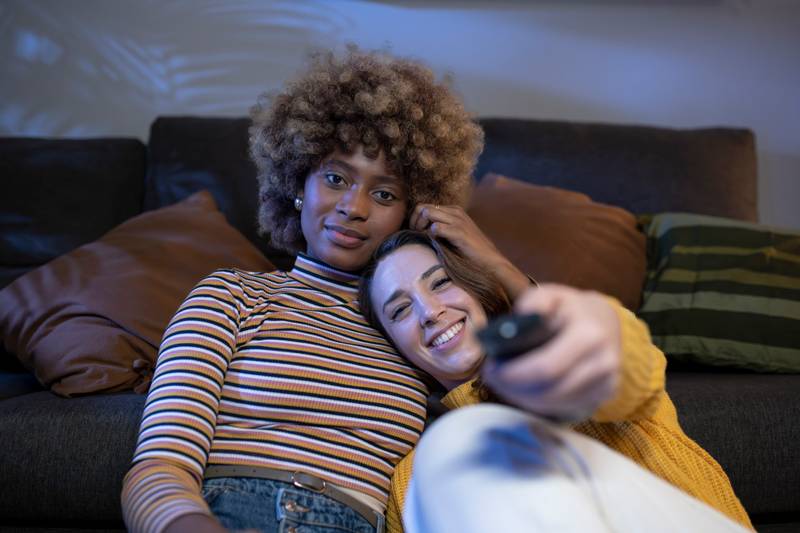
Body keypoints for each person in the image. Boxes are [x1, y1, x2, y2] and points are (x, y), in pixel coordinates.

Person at [121, 47, 527, 533]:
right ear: (298, 183)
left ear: (411, 212)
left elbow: (540, 386)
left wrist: (496, 264)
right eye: (335, 178)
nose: (353, 208)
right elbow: (158, 466)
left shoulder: (419, 326)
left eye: (384, 193)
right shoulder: (229, 295)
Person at [359, 230, 754, 533]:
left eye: (442, 282)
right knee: (451, 449)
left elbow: (625, 361)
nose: (429, 311)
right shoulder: (414, 482)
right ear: (396, 347)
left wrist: (592, 337)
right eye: (400, 310)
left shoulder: (576, 370)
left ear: (477, 287)